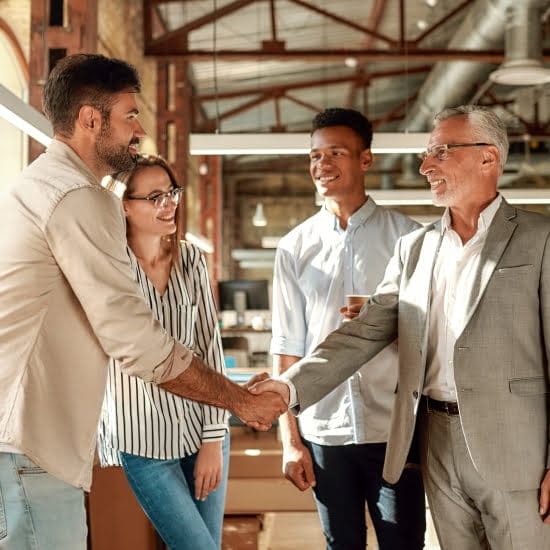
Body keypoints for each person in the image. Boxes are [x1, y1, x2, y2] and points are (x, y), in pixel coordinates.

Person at [0, 53, 284, 550]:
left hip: (23, 442)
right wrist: (241, 401)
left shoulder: (33, 186)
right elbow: (133, 339)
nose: (140, 129)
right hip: (32, 444)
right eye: (130, 115)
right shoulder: (79, 198)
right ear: (91, 118)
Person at [252, 105, 550, 549]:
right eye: (427, 154)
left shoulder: (539, 238)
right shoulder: (416, 247)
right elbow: (364, 332)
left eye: (441, 152)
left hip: (518, 449)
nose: (425, 165)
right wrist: (287, 389)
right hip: (433, 441)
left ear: (488, 158)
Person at [270, 107, 425, 550]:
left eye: (335, 152)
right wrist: (290, 442)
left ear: (366, 159)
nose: (323, 165)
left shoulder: (410, 239)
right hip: (323, 430)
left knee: (404, 544)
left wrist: (388, 324)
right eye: (315, 156)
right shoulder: (294, 247)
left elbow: (434, 338)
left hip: (394, 431)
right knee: (341, 545)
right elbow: (286, 347)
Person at [98, 155, 229, 550]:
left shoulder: (190, 259)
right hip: (141, 440)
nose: (169, 203)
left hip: (201, 430)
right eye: (154, 196)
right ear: (124, 204)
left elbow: (209, 346)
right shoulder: (108, 266)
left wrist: (213, 439)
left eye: (171, 192)